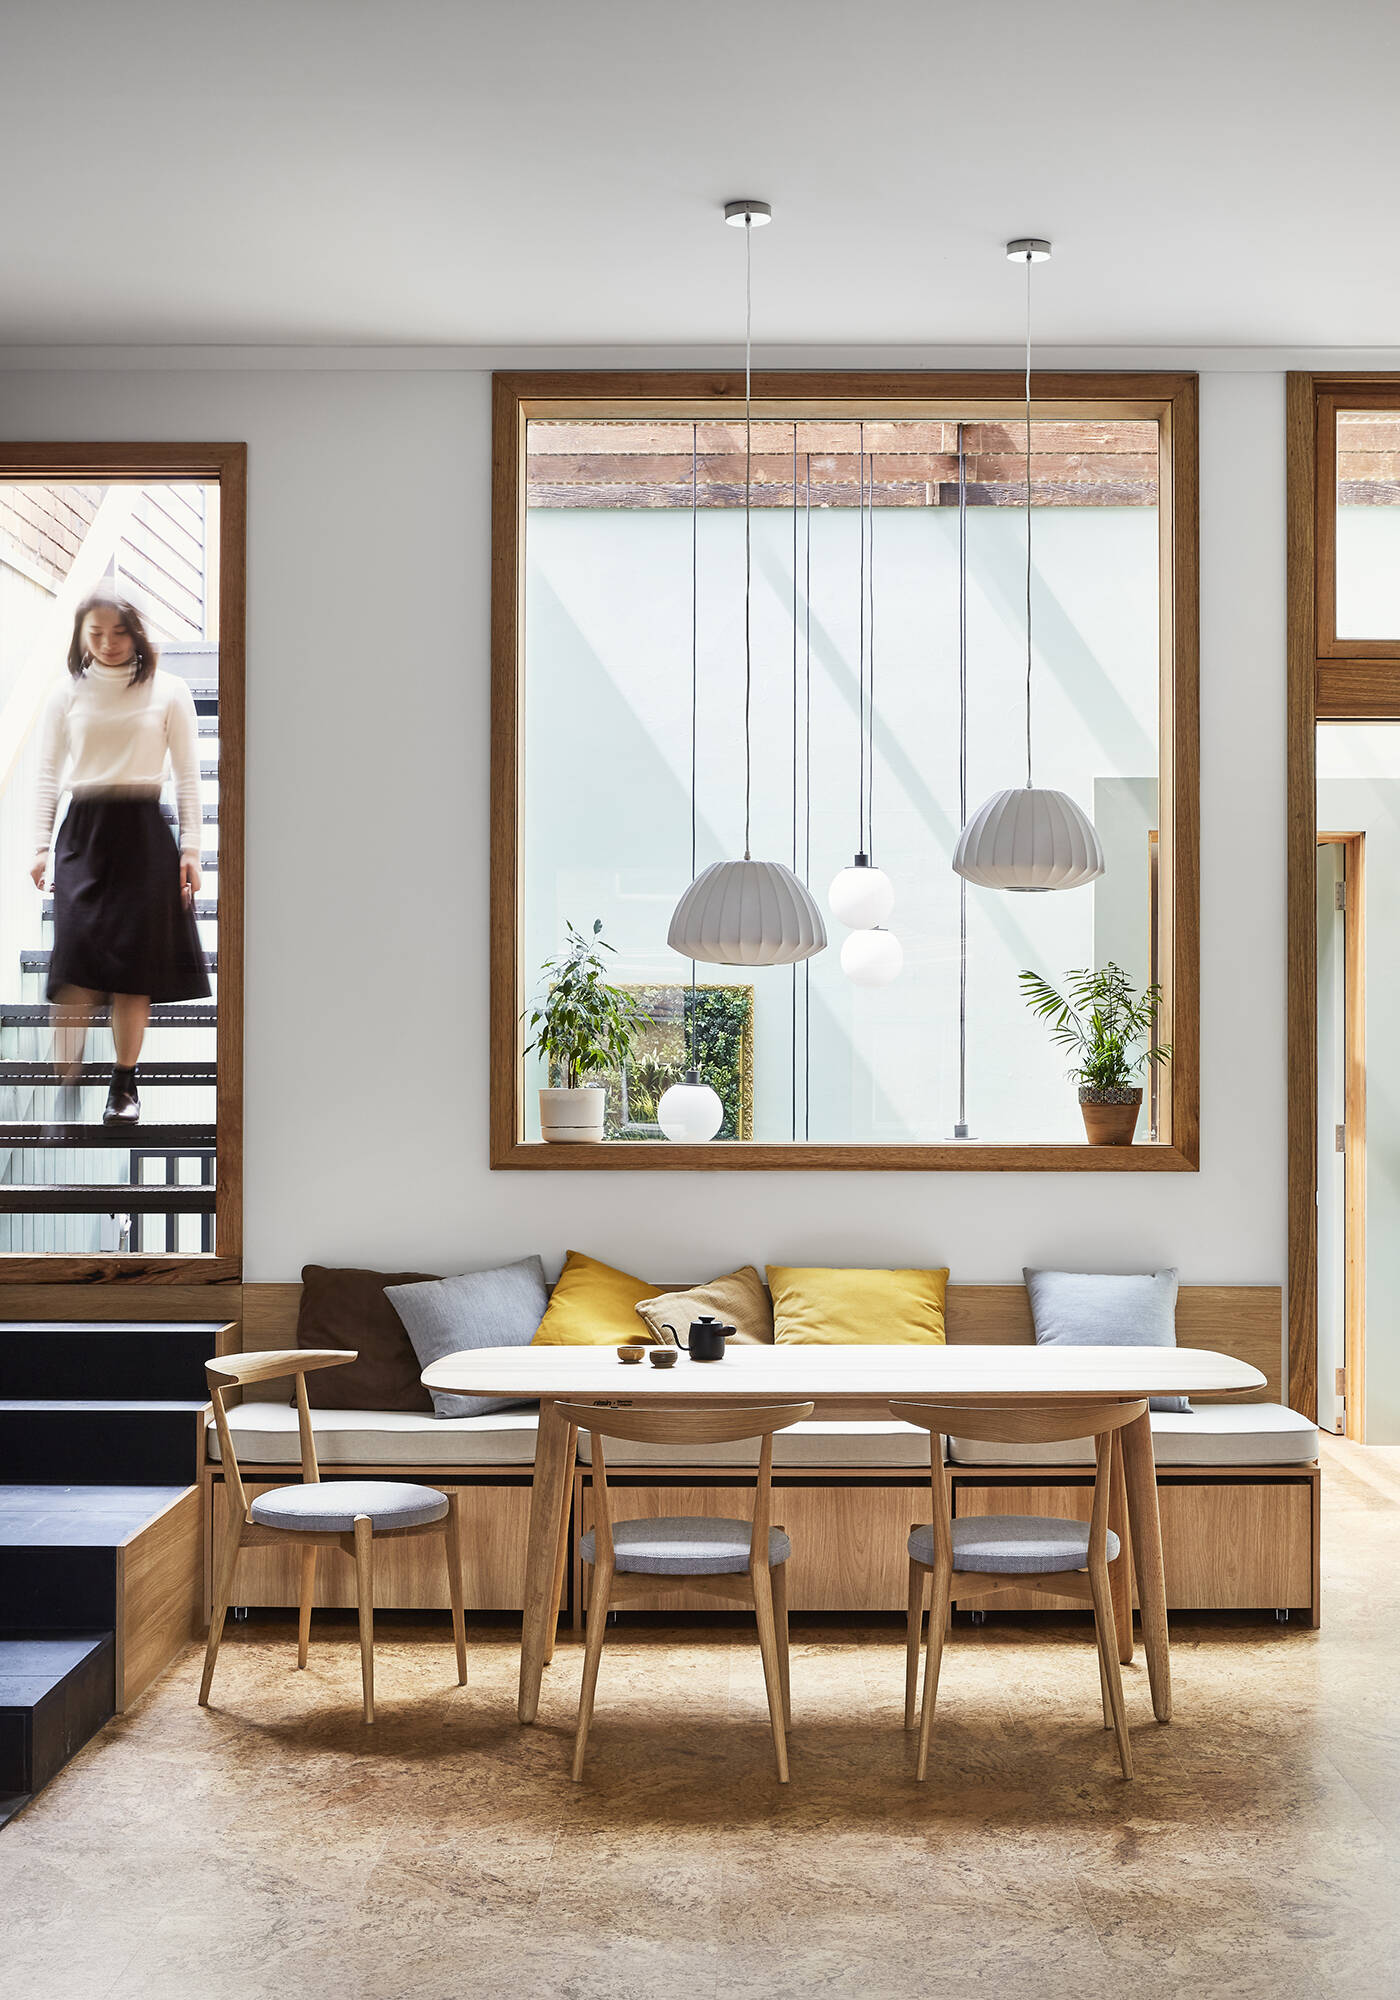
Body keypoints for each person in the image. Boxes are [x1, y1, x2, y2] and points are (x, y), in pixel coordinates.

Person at [31, 587, 208, 1125]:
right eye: (96, 633)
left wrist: (193, 849)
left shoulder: (169, 689)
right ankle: (65, 1075)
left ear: (137, 632)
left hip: (143, 832)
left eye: (119, 631)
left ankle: (123, 1084)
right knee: (76, 956)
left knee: (135, 969)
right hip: (83, 832)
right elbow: (46, 775)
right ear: (82, 637)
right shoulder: (65, 695)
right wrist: (41, 845)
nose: (108, 642)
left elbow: (188, 777)